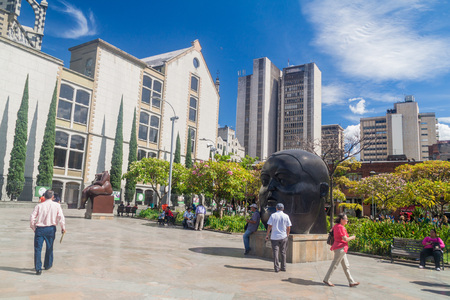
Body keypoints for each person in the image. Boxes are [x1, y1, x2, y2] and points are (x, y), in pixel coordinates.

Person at [30, 190, 66, 275]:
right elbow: (61, 217)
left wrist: (33, 227)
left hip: (40, 229)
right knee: (49, 247)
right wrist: (63, 227)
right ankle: (48, 265)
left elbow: (32, 217)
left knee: (38, 249)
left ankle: (38, 268)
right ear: (52, 197)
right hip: (51, 229)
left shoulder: (39, 206)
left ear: (44, 197)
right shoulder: (57, 205)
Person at [323, 213, 360, 287]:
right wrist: (353, 237)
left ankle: (351, 281)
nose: (347, 220)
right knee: (334, 264)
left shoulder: (335, 226)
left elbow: (331, 232)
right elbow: (345, 239)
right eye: (345, 219)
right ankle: (326, 279)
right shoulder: (341, 227)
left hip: (339, 248)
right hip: (340, 248)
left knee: (346, 266)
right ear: (341, 220)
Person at [265, 203, 292, 272]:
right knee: (283, 252)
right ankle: (283, 267)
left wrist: (267, 235)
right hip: (283, 236)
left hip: (274, 237)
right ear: (283, 209)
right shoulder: (286, 216)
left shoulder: (273, 216)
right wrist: (287, 234)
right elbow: (288, 227)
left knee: (275, 252)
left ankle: (276, 268)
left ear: (276, 208)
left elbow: (269, 226)